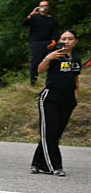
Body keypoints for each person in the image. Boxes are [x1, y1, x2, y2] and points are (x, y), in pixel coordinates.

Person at [31, 29, 80, 176]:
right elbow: (40, 70)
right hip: (50, 98)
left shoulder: (76, 59)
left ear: (75, 41)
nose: (66, 41)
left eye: (70, 38)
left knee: (56, 134)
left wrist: (76, 97)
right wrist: (48, 58)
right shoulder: (54, 56)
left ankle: (37, 163)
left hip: (68, 99)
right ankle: (55, 166)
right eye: (64, 38)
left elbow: (76, 79)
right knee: (49, 133)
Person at [22, 0, 60, 86]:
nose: (44, 8)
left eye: (46, 6)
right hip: (37, 43)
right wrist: (32, 13)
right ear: (39, 7)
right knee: (35, 62)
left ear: (49, 7)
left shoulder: (53, 20)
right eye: (42, 6)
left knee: (53, 61)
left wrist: (54, 41)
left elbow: (56, 32)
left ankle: (53, 80)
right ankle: (33, 82)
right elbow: (24, 23)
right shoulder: (35, 18)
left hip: (49, 43)